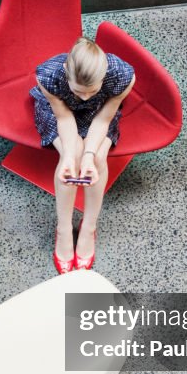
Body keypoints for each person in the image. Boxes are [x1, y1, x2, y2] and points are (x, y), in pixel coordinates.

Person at [31, 37, 135, 274]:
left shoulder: (122, 76)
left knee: (97, 158)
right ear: (66, 72)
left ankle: (89, 227)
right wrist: (70, 154)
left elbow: (104, 119)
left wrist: (88, 156)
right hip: (60, 113)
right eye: (79, 91)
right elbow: (65, 118)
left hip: (99, 114)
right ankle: (64, 229)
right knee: (71, 155)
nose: (85, 97)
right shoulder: (48, 76)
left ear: (104, 75)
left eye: (92, 90)